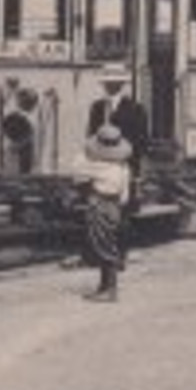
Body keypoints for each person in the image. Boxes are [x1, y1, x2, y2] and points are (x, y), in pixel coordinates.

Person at [75, 123, 132, 302]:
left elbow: (77, 173)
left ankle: (109, 291)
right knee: (108, 245)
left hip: (99, 205)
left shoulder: (95, 165)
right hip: (114, 206)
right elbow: (124, 196)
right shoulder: (123, 167)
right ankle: (104, 287)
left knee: (103, 247)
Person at [87, 64, 149, 183]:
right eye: (107, 82)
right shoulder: (97, 107)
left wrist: (136, 169)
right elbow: (91, 135)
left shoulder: (136, 109)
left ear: (121, 84)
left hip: (126, 167)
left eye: (114, 82)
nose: (109, 85)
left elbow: (141, 142)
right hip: (101, 167)